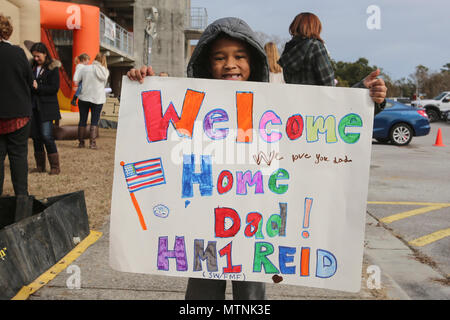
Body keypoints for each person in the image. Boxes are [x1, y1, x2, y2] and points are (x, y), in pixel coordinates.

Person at [127, 17, 387, 300]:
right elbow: (154, 121)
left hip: (255, 220)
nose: (230, 64)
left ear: (254, 62)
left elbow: (324, 116)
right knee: (202, 292)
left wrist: (364, 96)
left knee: (251, 292)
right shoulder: (193, 101)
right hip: (203, 220)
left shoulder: (274, 102)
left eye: (239, 56)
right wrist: (142, 83)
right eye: (219, 58)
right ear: (205, 62)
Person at [279, 12, 387, 110]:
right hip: (318, 111)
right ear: (316, 28)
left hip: (295, 109)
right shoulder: (315, 46)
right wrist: (361, 86)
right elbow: (330, 89)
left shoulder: (287, 52)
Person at [0, 14, 33, 196]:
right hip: (18, 113)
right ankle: (22, 201)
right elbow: (30, 80)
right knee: (18, 158)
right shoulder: (17, 52)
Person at [30, 42, 62, 175]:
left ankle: (55, 167)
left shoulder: (53, 68)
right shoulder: (31, 67)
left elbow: (54, 88)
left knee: (46, 136)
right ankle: (40, 166)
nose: (36, 59)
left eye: (38, 56)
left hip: (47, 108)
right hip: (33, 107)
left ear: (44, 54)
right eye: (34, 56)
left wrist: (39, 88)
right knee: (36, 136)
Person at [73, 52, 109, 149]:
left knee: (82, 120)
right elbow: (104, 83)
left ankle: (81, 143)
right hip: (98, 98)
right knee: (94, 121)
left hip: (84, 97)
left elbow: (78, 81)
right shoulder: (105, 71)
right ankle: (92, 143)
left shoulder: (85, 68)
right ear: (104, 61)